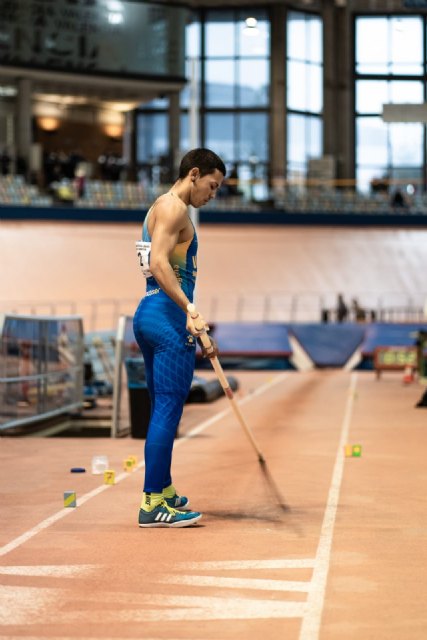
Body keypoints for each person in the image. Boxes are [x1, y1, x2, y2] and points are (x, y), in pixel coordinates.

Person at [133, 148, 225, 528]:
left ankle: (164, 489)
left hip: (150, 314)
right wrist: (190, 309)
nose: (213, 194)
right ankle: (152, 503)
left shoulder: (160, 206)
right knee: (168, 413)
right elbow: (157, 263)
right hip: (168, 321)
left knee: (161, 412)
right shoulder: (174, 209)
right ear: (194, 174)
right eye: (212, 185)